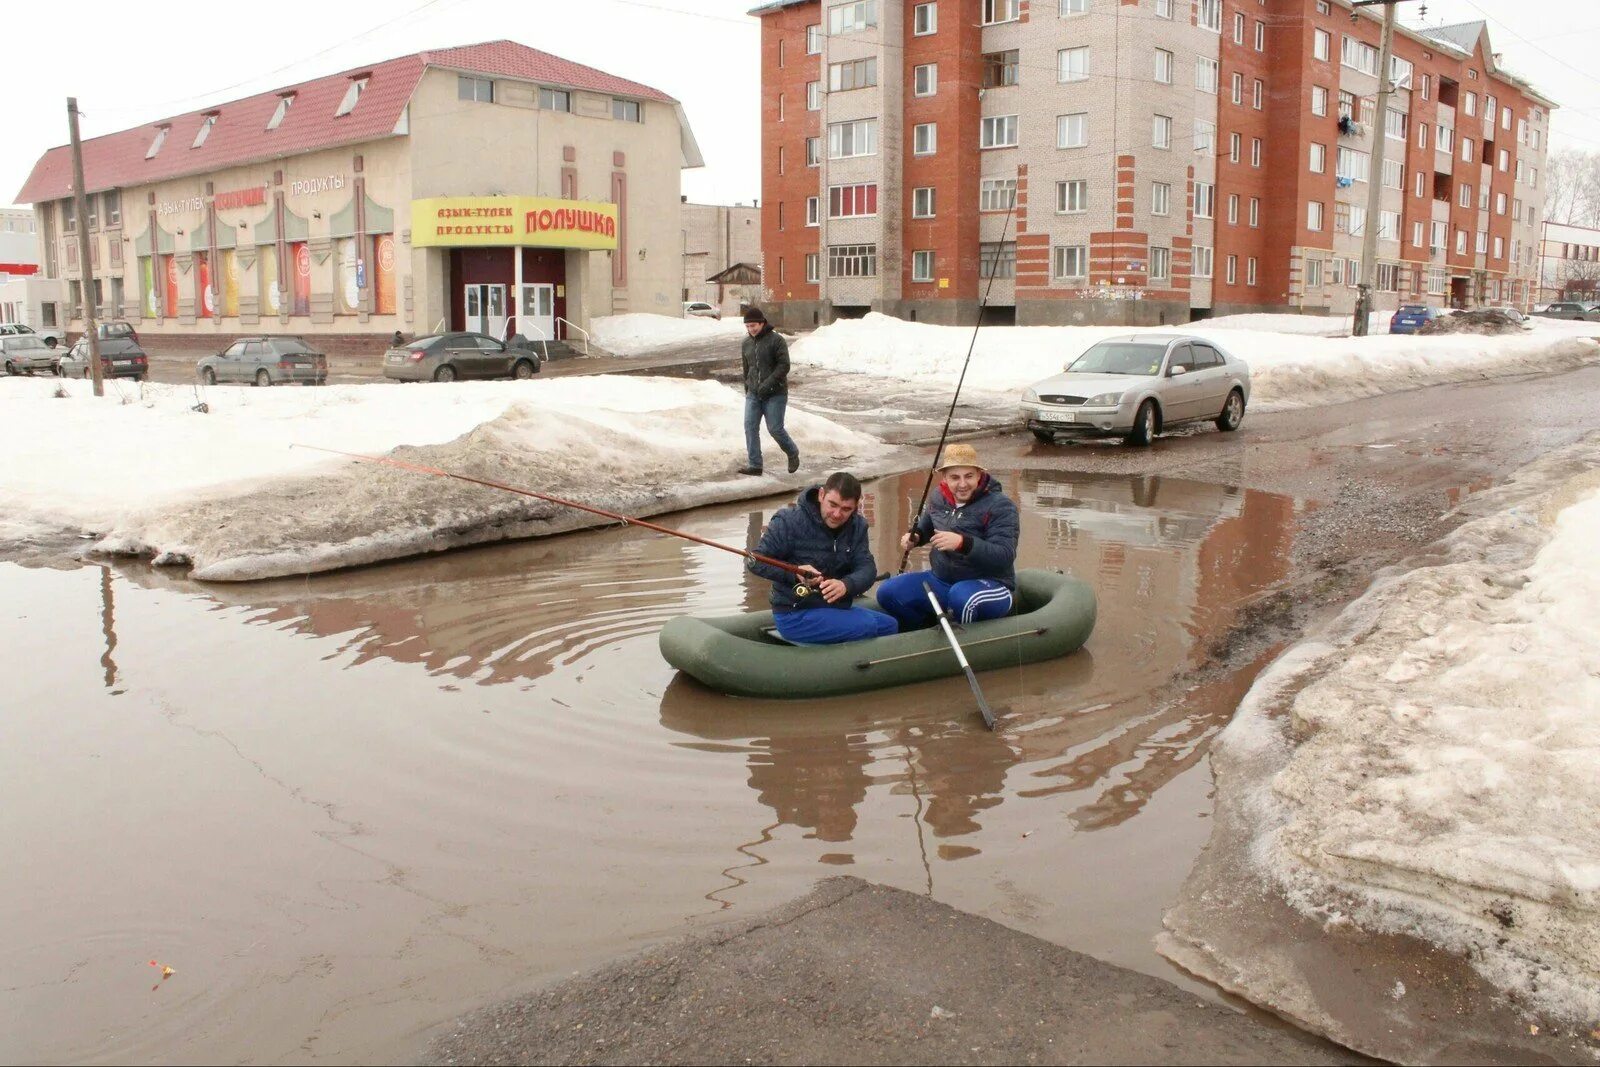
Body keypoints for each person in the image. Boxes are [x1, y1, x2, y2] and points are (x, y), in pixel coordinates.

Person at [877, 443, 1019, 629]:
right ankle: (923, 633)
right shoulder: (938, 496)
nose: (962, 484)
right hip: (942, 580)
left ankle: (967, 644)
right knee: (887, 591)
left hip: (989, 584)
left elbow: (1004, 555)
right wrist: (917, 536)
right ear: (944, 478)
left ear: (979, 474)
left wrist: (963, 543)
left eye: (968, 476)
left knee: (961, 597)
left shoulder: (1001, 506)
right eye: (954, 477)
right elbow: (928, 523)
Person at [746, 471, 898, 645]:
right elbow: (755, 561)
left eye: (846, 509)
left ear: (856, 507)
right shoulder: (788, 521)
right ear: (821, 495)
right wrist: (795, 574)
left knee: (890, 626)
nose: (836, 514)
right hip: (794, 613)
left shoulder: (857, 527)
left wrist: (846, 585)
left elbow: (867, 568)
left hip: (834, 608)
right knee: (867, 625)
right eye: (832, 504)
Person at [739, 307, 801, 476]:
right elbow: (747, 368)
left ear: (762, 323)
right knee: (750, 427)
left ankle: (792, 452)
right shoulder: (746, 343)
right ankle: (755, 465)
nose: (751, 329)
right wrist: (747, 386)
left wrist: (768, 384)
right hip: (753, 393)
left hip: (775, 393)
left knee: (775, 428)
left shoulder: (776, 340)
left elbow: (784, 366)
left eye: (754, 326)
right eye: (748, 327)